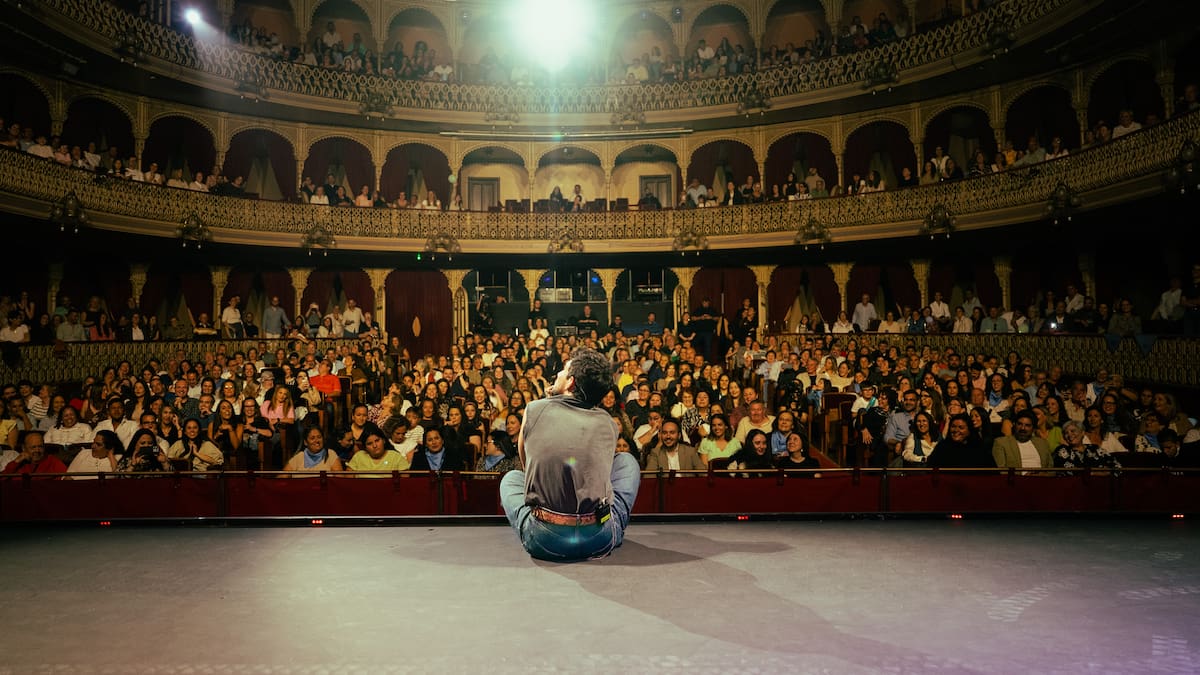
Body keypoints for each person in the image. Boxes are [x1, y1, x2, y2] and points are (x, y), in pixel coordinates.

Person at [500, 347, 641, 561]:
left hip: (544, 540)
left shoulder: (533, 409)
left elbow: (528, 467)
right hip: (598, 538)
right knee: (627, 461)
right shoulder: (609, 423)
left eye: (564, 370)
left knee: (511, 478)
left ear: (571, 382)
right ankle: (612, 528)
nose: (558, 373)